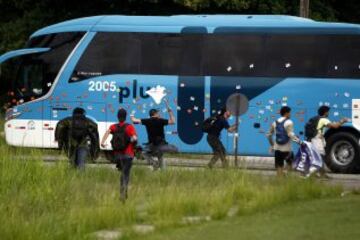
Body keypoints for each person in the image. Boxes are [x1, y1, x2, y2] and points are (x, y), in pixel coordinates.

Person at [100, 108, 138, 202]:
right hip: (128, 155)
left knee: (122, 173)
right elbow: (134, 138)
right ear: (125, 117)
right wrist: (131, 141)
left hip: (117, 155)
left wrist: (102, 142)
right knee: (125, 174)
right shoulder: (129, 127)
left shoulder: (113, 126)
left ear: (118, 116)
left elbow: (107, 132)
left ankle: (123, 191)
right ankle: (123, 194)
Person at [130, 99, 177, 170]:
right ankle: (163, 173)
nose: (159, 114)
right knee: (160, 156)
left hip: (152, 145)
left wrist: (132, 113)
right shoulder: (161, 121)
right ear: (155, 114)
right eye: (158, 113)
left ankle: (154, 163)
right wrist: (169, 109)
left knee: (144, 153)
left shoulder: (147, 121)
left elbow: (134, 120)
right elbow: (173, 121)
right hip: (161, 145)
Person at [310, 106, 348, 176]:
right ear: (325, 112)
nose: (328, 113)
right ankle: (315, 173)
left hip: (315, 139)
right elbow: (335, 126)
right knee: (319, 156)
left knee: (319, 156)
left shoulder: (318, 119)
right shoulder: (324, 119)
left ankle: (321, 173)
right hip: (317, 140)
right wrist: (343, 121)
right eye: (328, 112)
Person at [267, 106, 302, 176]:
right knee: (291, 164)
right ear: (286, 113)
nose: (290, 114)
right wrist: (300, 142)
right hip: (287, 149)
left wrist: (272, 145)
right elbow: (290, 134)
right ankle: (286, 176)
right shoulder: (289, 122)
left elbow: (269, 135)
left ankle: (280, 180)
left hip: (277, 148)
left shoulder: (275, 122)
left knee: (279, 167)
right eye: (289, 113)